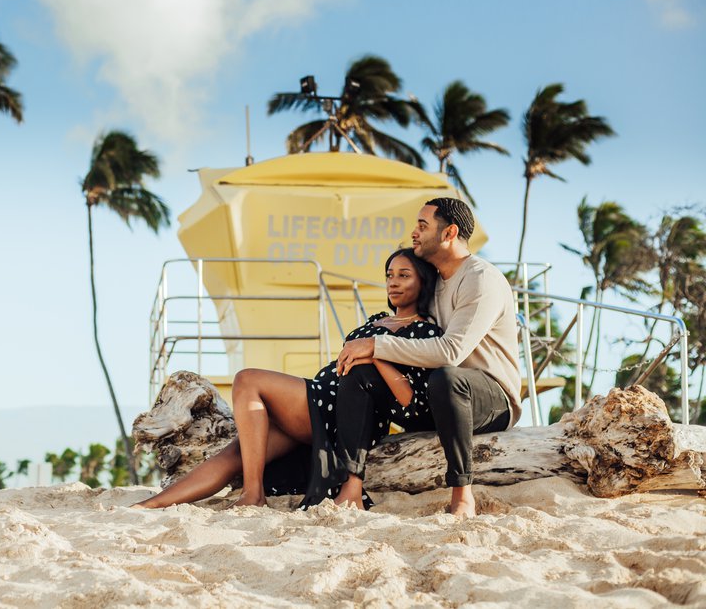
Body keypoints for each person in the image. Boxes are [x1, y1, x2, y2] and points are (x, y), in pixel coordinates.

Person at [132, 248, 442, 510]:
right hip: (319, 400)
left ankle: (253, 495)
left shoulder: (425, 331)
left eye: (404, 275)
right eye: (390, 274)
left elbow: (408, 401)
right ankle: (149, 507)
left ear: (423, 280)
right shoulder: (376, 320)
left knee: (246, 379)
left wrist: (376, 353)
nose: (394, 282)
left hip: (345, 414)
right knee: (237, 454)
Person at [336, 197, 522, 518]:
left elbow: (451, 351)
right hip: (435, 398)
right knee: (361, 374)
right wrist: (369, 350)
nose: (414, 233)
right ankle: (351, 485)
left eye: (423, 226)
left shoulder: (481, 278)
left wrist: (376, 345)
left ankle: (462, 493)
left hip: (491, 398)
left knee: (447, 377)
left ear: (449, 233)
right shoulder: (435, 281)